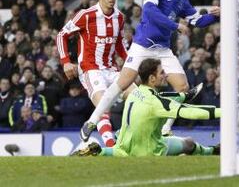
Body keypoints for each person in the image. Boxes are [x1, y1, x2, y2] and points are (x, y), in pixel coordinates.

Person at [80, 0, 220, 141]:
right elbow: (150, 12)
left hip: (163, 50)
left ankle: (165, 129)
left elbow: (198, 21)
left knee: (183, 87)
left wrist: (216, 16)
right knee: (121, 84)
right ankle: (91, 121)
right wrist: (175, 26)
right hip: (142, 46)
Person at [72, 58, 220, 157]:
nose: (166, 75)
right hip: (150, 151)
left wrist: (183, 96)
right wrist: (226, 111)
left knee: (122, 142)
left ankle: (100, 151)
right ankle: (212, 151)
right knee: (188, 143)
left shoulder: (134, 92)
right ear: (152, 78)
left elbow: (163, 97)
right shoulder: (155, 102)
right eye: (162, 72)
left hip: (123, 147)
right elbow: (192, 112)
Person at [56, 0, 128, 147]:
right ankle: (110, 145)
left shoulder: (119, 17)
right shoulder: (86, 15)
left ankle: (122, 133)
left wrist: (130, 63)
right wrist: (66, 61)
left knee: (138, 97)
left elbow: (120, 44)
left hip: (112, 69)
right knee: (103, 105)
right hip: (90, 69)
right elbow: (62, 35)